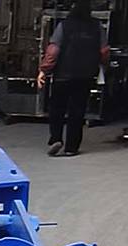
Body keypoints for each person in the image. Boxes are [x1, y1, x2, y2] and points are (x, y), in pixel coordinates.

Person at [37, 0, 109, 157]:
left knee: (57, 108)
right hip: (85, 75)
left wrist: (44, 70)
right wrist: (103, 66)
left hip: (63, 75)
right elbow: (104, 51)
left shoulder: (64, 25)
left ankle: (56, 139)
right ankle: (71, 147)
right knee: (77, 110)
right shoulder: (97, 26)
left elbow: (53, 51)